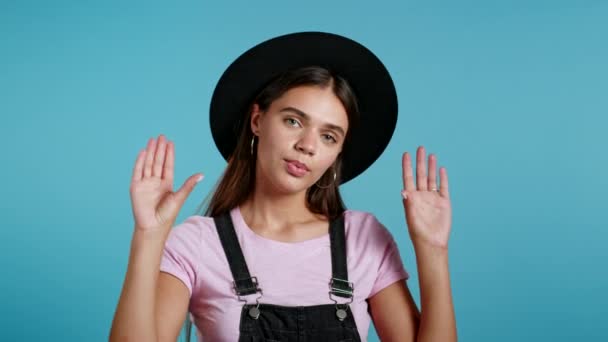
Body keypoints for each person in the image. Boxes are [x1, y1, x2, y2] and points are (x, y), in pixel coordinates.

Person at [110, 32, 457, 341]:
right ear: (258, 120)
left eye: (328, 136)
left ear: (336, 152)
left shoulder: (364, 237)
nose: (307, 144)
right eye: (293, 121)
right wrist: (148, 236)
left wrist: (433, 250)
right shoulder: (197, 243)